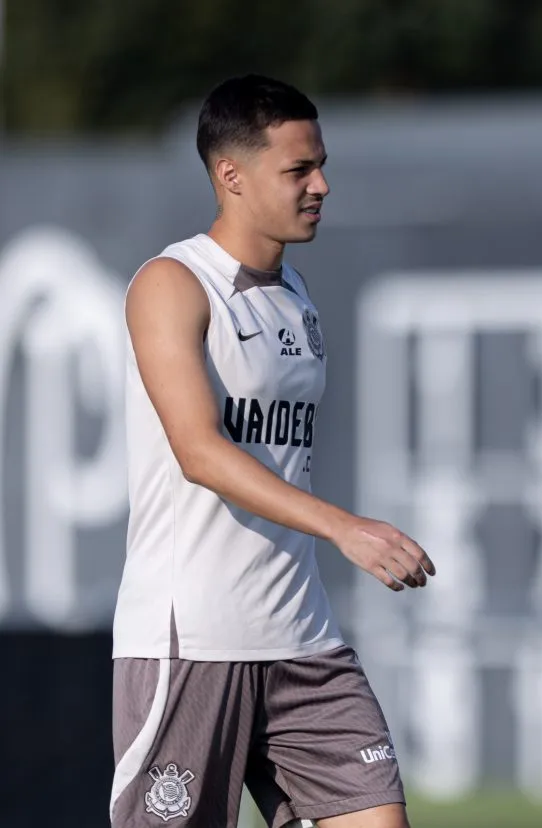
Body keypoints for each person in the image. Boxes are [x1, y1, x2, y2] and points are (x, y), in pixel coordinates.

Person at [109, 74, 434, 828]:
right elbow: (198, 450)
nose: (321, 185)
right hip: (190, 639)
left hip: (303, 639)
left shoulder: (295, 295)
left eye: (320, 165)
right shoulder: (172, 283)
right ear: (231, 175)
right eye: (298, 170)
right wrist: (345, 527)